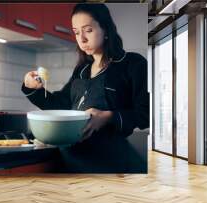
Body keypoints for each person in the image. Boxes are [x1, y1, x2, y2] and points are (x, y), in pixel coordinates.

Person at [21, 3, 149, 173]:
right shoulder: (81, 70)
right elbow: (61, 106)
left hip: (112, 164)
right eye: (76, 32)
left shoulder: (132, 64)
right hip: (72, 159)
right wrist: (32, 88)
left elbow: (146, 114)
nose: (82, 39)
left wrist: (107, 116)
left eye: (88, 30)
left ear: (106, 29)